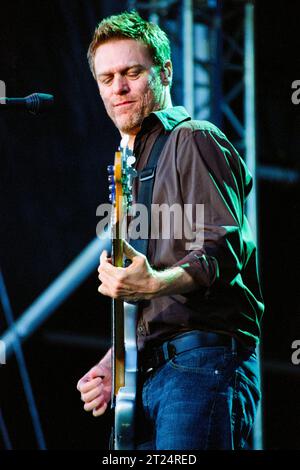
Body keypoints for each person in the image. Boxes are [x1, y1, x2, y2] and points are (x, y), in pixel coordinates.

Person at [76, 10, 264, 450]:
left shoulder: (193, 138)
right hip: (146, 376)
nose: (118, 88)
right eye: (106, 78)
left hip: (200, 364)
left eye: (132, 73)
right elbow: (147, 300)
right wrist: (113, 361)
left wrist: (154, 283)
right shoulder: (131, 170)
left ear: (165, 72)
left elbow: (224, 243)